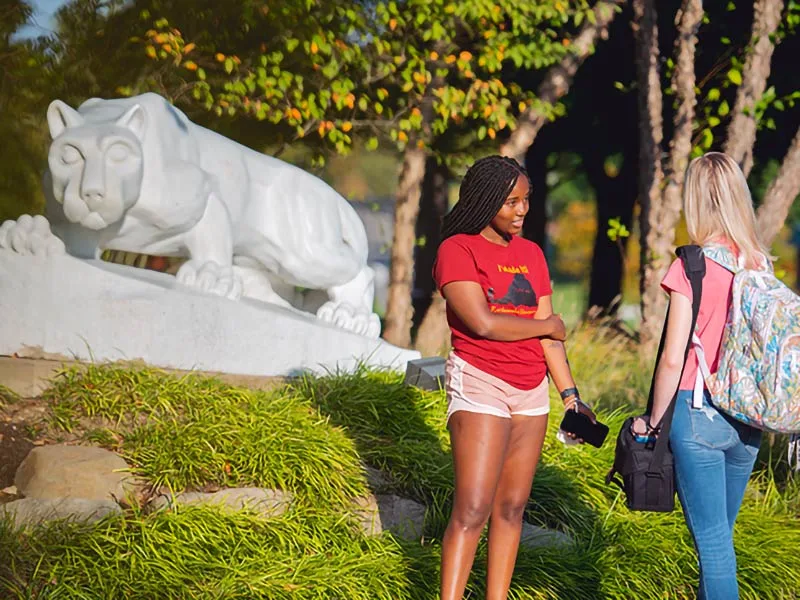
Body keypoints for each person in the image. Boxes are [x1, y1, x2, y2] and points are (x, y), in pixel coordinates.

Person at [433, 155, 595, 600]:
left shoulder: (532, 254)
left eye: (526, 200)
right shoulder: (457, 250)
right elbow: (483, 323)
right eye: (511, 202)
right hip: (480, 380)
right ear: (485, 201)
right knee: (472, 508)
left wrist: (570, 396)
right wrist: (546, 325)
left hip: (532, 393)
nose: (522, 210)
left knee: (511, 507)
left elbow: (550, 340)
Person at [632, 152, 765, 600]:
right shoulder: (756, 263)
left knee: (712, 547)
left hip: (699, 413)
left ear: (695, 202)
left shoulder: (690, 266)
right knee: (721, 539)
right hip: (747, 419)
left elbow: (672, 359)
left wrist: (651, 423)